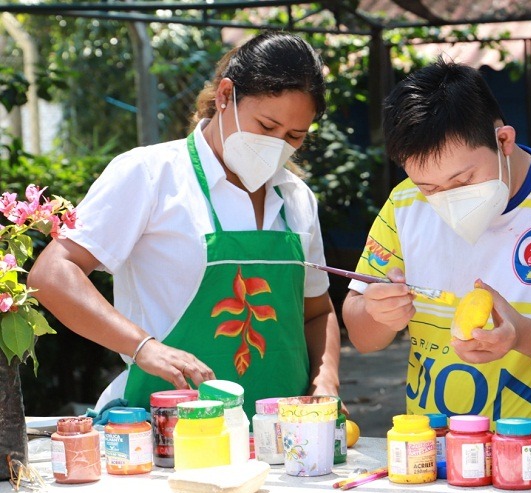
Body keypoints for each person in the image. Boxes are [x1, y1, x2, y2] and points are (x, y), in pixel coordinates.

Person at [28, 32, 342, 419]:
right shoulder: (150, 175)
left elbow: (317, 311)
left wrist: (325, 382)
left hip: (283, 436)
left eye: (294, 136)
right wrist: (144, 347)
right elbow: (53, 273)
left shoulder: (295, 199)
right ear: (226, 95)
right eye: (266, 126)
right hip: (169, 432)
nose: (278, 145)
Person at [341, 59, 531, 447]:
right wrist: (378, 313)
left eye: (463, 180)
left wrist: (523, 335)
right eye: (429, 187)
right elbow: (361, 333)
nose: (447, 200)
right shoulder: (404, 205)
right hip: (434, 452)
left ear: (503, 141)